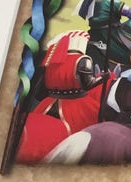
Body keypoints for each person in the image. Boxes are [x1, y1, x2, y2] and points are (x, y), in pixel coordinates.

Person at [16, 31, 109, 164]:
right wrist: (103, 77)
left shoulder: (54, 60)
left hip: (50, 101)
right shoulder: (83, 60)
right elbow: (88, 84)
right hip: (77, 103)